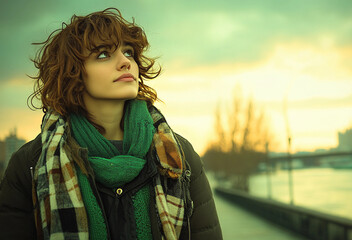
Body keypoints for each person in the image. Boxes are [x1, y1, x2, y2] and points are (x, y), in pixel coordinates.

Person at [0, 8, 222, 240]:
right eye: (103, 54)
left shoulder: (177, 155)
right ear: (72, 73)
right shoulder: (31, 163)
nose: (125, 62)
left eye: (128, 52)